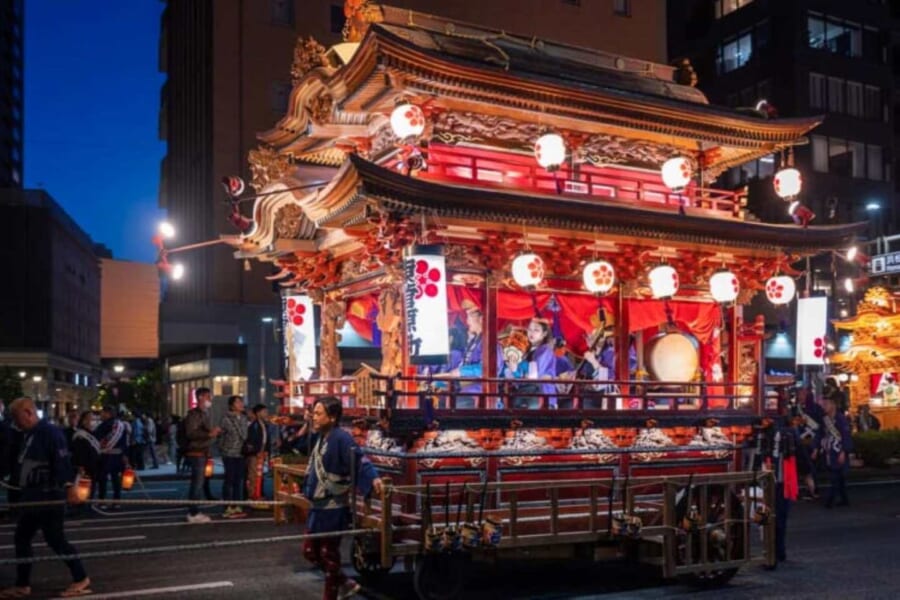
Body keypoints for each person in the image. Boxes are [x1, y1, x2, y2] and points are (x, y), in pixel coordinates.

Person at [1, 398, 91, 598]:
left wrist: (68, 487)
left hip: (49, 496)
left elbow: (62, 461)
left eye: (17, 418)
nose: (16, 422)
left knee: (56, 539)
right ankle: (22, 584)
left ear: (28, 412)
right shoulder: (29, 434)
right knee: (22, 538)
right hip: (33, 496)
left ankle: (81, 577)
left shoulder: (49, 433)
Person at [302, 396, 382, 600]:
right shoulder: (322, 436)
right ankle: (345, 583)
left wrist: (373, 479)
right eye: (314, 413)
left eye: (318, 413)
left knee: (329, 554)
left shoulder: (342, 438)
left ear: (332, 417)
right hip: (317, 506)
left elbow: (360, 460)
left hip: (332, 507)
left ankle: (331, 595)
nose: (314, 417)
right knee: (310, 552)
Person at [183, 388, 221, 523]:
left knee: (199, 482)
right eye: (208, 396)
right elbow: (191, 433)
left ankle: (194, 510)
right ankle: (193, 513)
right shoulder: (194, 414)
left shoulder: (204, 413)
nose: (210, 399)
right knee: (197, 483)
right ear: (200, 397)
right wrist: (209, 434)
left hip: (202, 451)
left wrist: (212, 433)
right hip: (196, 452)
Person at [816, 394, 852, 508]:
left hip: (838, 451)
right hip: (829, 451)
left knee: (835, 477)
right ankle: (844, 500)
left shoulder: (841, 419)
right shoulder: (825, 419)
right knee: (839, 478)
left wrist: (844, 451)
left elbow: (846, 436)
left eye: (826, 404)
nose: (824, 406)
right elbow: (820, 434)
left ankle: (829, 501)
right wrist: (816, 448)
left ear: (833, 405)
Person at [93, 405, 128, 510]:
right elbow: (125, 442)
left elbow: (97, 438)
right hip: (118, 455)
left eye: (103, 413)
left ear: (108, 413)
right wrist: (125, 454)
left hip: (106, 455)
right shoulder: (120, 425)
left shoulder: (105, 425)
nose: (101, 415)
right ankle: (116, 501)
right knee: (115, 480)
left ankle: (102, 501)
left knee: (103, 479)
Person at [219, 395, 248, 518]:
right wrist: (223, 448)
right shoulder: (225, 419)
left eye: (241, 401)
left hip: (240, 453)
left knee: (238, 480)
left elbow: (245, 435)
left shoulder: (244, 418)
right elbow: (221, 436)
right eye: (237, 402)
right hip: (229, 453)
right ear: (231, 406)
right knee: (229, 480)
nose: (241, 404)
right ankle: (227, 507)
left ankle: (237, 505)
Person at [518, 318, 558, 409]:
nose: (531, 333)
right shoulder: (528, 350)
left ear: (544, 334)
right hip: (531, 393)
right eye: (530, 329)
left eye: (536, 330)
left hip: (543, 395)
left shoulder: (546, 350)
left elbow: (535, 373)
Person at [70, 411, 101, 510]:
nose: (93, 422)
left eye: (94, 419)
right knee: (83, 487)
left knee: (91, 488)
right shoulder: (80, 435)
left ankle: (88, 505)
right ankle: (80, 507)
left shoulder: (92, 434)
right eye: (90, 419)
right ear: (83, 421)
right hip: (85, 466)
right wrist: (80, 465)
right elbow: (78, 452)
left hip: (93, 465)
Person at [246, 404, 271, 503]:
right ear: (258, 413)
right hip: (254, 455)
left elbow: (266, 440)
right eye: (264, 411)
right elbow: (251, 441)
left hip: (261, 454)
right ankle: (252, 496)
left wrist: (266, 451)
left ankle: (258, 494)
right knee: (252, 475)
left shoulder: (264, 424)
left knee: (259, 475)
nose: (266, 413)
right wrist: (256, 451)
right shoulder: (254, 425)